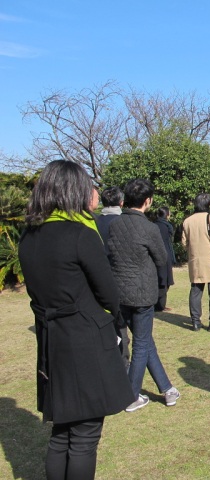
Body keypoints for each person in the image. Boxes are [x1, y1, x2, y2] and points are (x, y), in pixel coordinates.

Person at [18, 160, 135, 479]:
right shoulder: (79, 233)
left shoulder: (29, 236)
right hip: (84, 339)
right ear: (75, 190)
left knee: (62, 432)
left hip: (51, 340)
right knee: (84, 436)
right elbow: (108, 292)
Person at [107, 179, 180, 412]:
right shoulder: (148, 228)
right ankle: (132, 395)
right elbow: (162, 259)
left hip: (120, 292)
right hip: (141, 294)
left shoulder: (115, 224)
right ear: (147, 201)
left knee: (145, 341)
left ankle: (167, 389)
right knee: (141, 344)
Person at [181, 193, 210, 332]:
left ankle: (195, 322)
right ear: (209, 205)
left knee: (195, 291)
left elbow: (184, 243)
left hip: (195, 260)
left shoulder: (187, 221)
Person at [96, 186, 130, 369]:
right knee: (122, 325)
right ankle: (123, 363)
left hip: (98, 281)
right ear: (121, 202)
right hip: (121, 280)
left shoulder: (93, 222)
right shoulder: (123, 222)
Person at [154, 206, 176, 312]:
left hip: (155, 255)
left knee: (159, 280)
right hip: (165, 255)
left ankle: (160, 305)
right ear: (167, 214)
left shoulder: (153, 225)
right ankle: (159, 305)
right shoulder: (166, 226)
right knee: (164, 281)